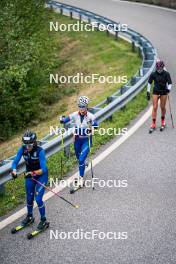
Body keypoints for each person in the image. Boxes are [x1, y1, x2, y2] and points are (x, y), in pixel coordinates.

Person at [11, 130, 48, 230]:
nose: (28, 146)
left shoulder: (40, 151)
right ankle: (30, 216)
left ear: (34, 142)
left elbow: (44, 169)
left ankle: (44, 220)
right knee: (29, 198)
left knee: (38, 199)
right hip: (30, 176)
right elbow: (15, 162)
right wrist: (14, 170)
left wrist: (32, 173)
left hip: (41, 175)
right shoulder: (23, 149)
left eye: (30, 144)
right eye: (26, 144)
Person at [60, 96, 98, 190]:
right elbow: (66, 119)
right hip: (77, 140)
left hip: (86, 140)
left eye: (83, 107)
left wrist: (92, 125)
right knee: (79, 159)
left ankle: (81, 179)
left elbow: (96, 125)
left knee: (81, 160)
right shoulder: (75, 114)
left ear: (86, 107)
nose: (81, 108)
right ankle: (83, 163)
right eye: (80, 106)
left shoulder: (90, 116)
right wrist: (62, 119)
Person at [147, 60, 172, 132]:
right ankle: (153, 123)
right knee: (154, 107)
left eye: (160, 69)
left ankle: (163, 121)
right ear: (156, 68)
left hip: (164, 91)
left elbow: (170, 83)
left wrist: (168, 90)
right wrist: (148, 92)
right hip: (156, 91)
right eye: (158, 69)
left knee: (162, 107)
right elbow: (149, 83)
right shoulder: (153, 74)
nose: (159, 70)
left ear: (162, 67)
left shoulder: (166, 74)